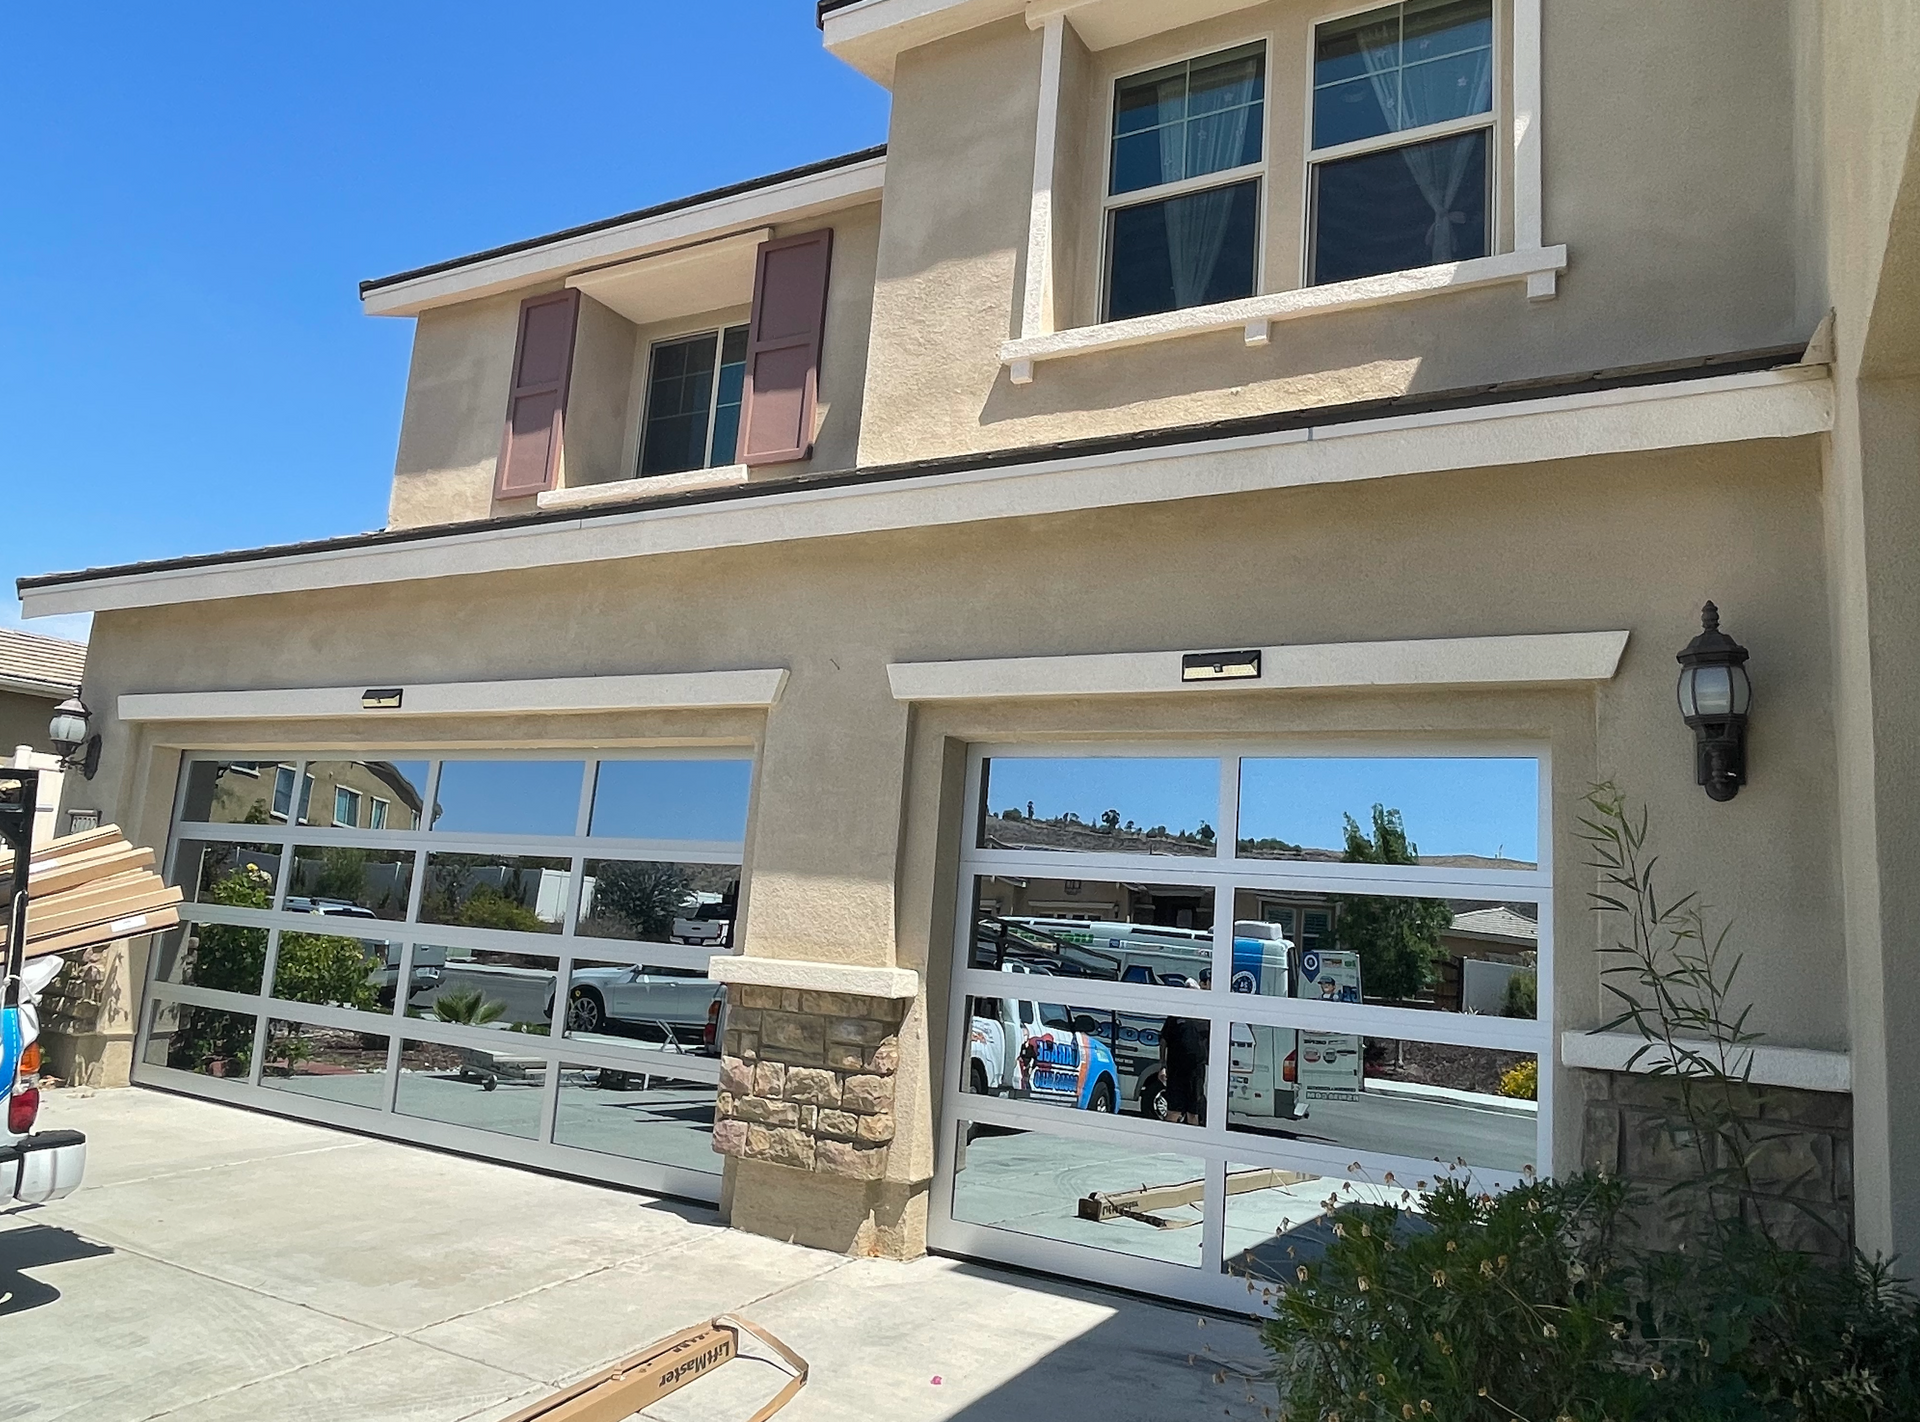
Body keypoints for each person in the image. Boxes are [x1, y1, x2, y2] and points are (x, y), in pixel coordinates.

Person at [1159, 969, 1211, 1124]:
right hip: (1176, 1071)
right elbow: (1163, 1040)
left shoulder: (1208, 1014)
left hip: (1197, 1072)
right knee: (1174, 1111)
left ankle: (1191, 1146)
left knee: (1193, 1113)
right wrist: (1162, 1066)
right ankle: (1167, 1142)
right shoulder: (1176, 1014)